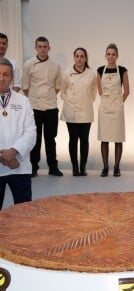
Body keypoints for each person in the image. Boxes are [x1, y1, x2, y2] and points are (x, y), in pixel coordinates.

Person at [22, 36, 63, 177]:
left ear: (49, 48)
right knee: (35, 138)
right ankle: (33, 166)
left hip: (51, 106)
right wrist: (34, 99)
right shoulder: (28, 64)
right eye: (40, 46)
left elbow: (58, 86)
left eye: (45, 46)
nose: (42, 49)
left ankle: (53, 167)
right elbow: (26, 87)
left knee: (50, 138)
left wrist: (49, 96)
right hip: (34, 107)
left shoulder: (55, 66)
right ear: (36, 48)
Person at [0, 58, 36, 209]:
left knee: (24, 214)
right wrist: (3, 157)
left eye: (6, 74)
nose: (2, 78)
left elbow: (31, 132)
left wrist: (13, 152)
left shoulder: (23, 101)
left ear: (12, 77)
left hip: (19, 166)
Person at [60, 47, 97, 176]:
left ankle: (83, 167)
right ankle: (75, 167)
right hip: (71, 110)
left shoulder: (91, 74)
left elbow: (94, 92)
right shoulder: (66, 73)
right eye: (77, 56)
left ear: (85, 58)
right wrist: (69, 101)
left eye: (82, 56)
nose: (79, 59)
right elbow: (62, 91)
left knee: (85, 140)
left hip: (86, 110)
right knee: (73, 139)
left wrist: (87, 100)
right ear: (74, 58)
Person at [97, 43, 129, 177]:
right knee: (104, 138)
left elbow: (127, 91)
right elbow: (99, 90)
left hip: (117, 106)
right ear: (105, 55)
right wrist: (107, 100)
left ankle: (116, 167)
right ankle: (105, 167)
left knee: (118, 138)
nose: (111, 56)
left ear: (117, 56)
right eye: (108, 54)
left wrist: (119, 103)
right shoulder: (99, 70)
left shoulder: (122, 70)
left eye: (113, 54)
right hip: (104, 106)